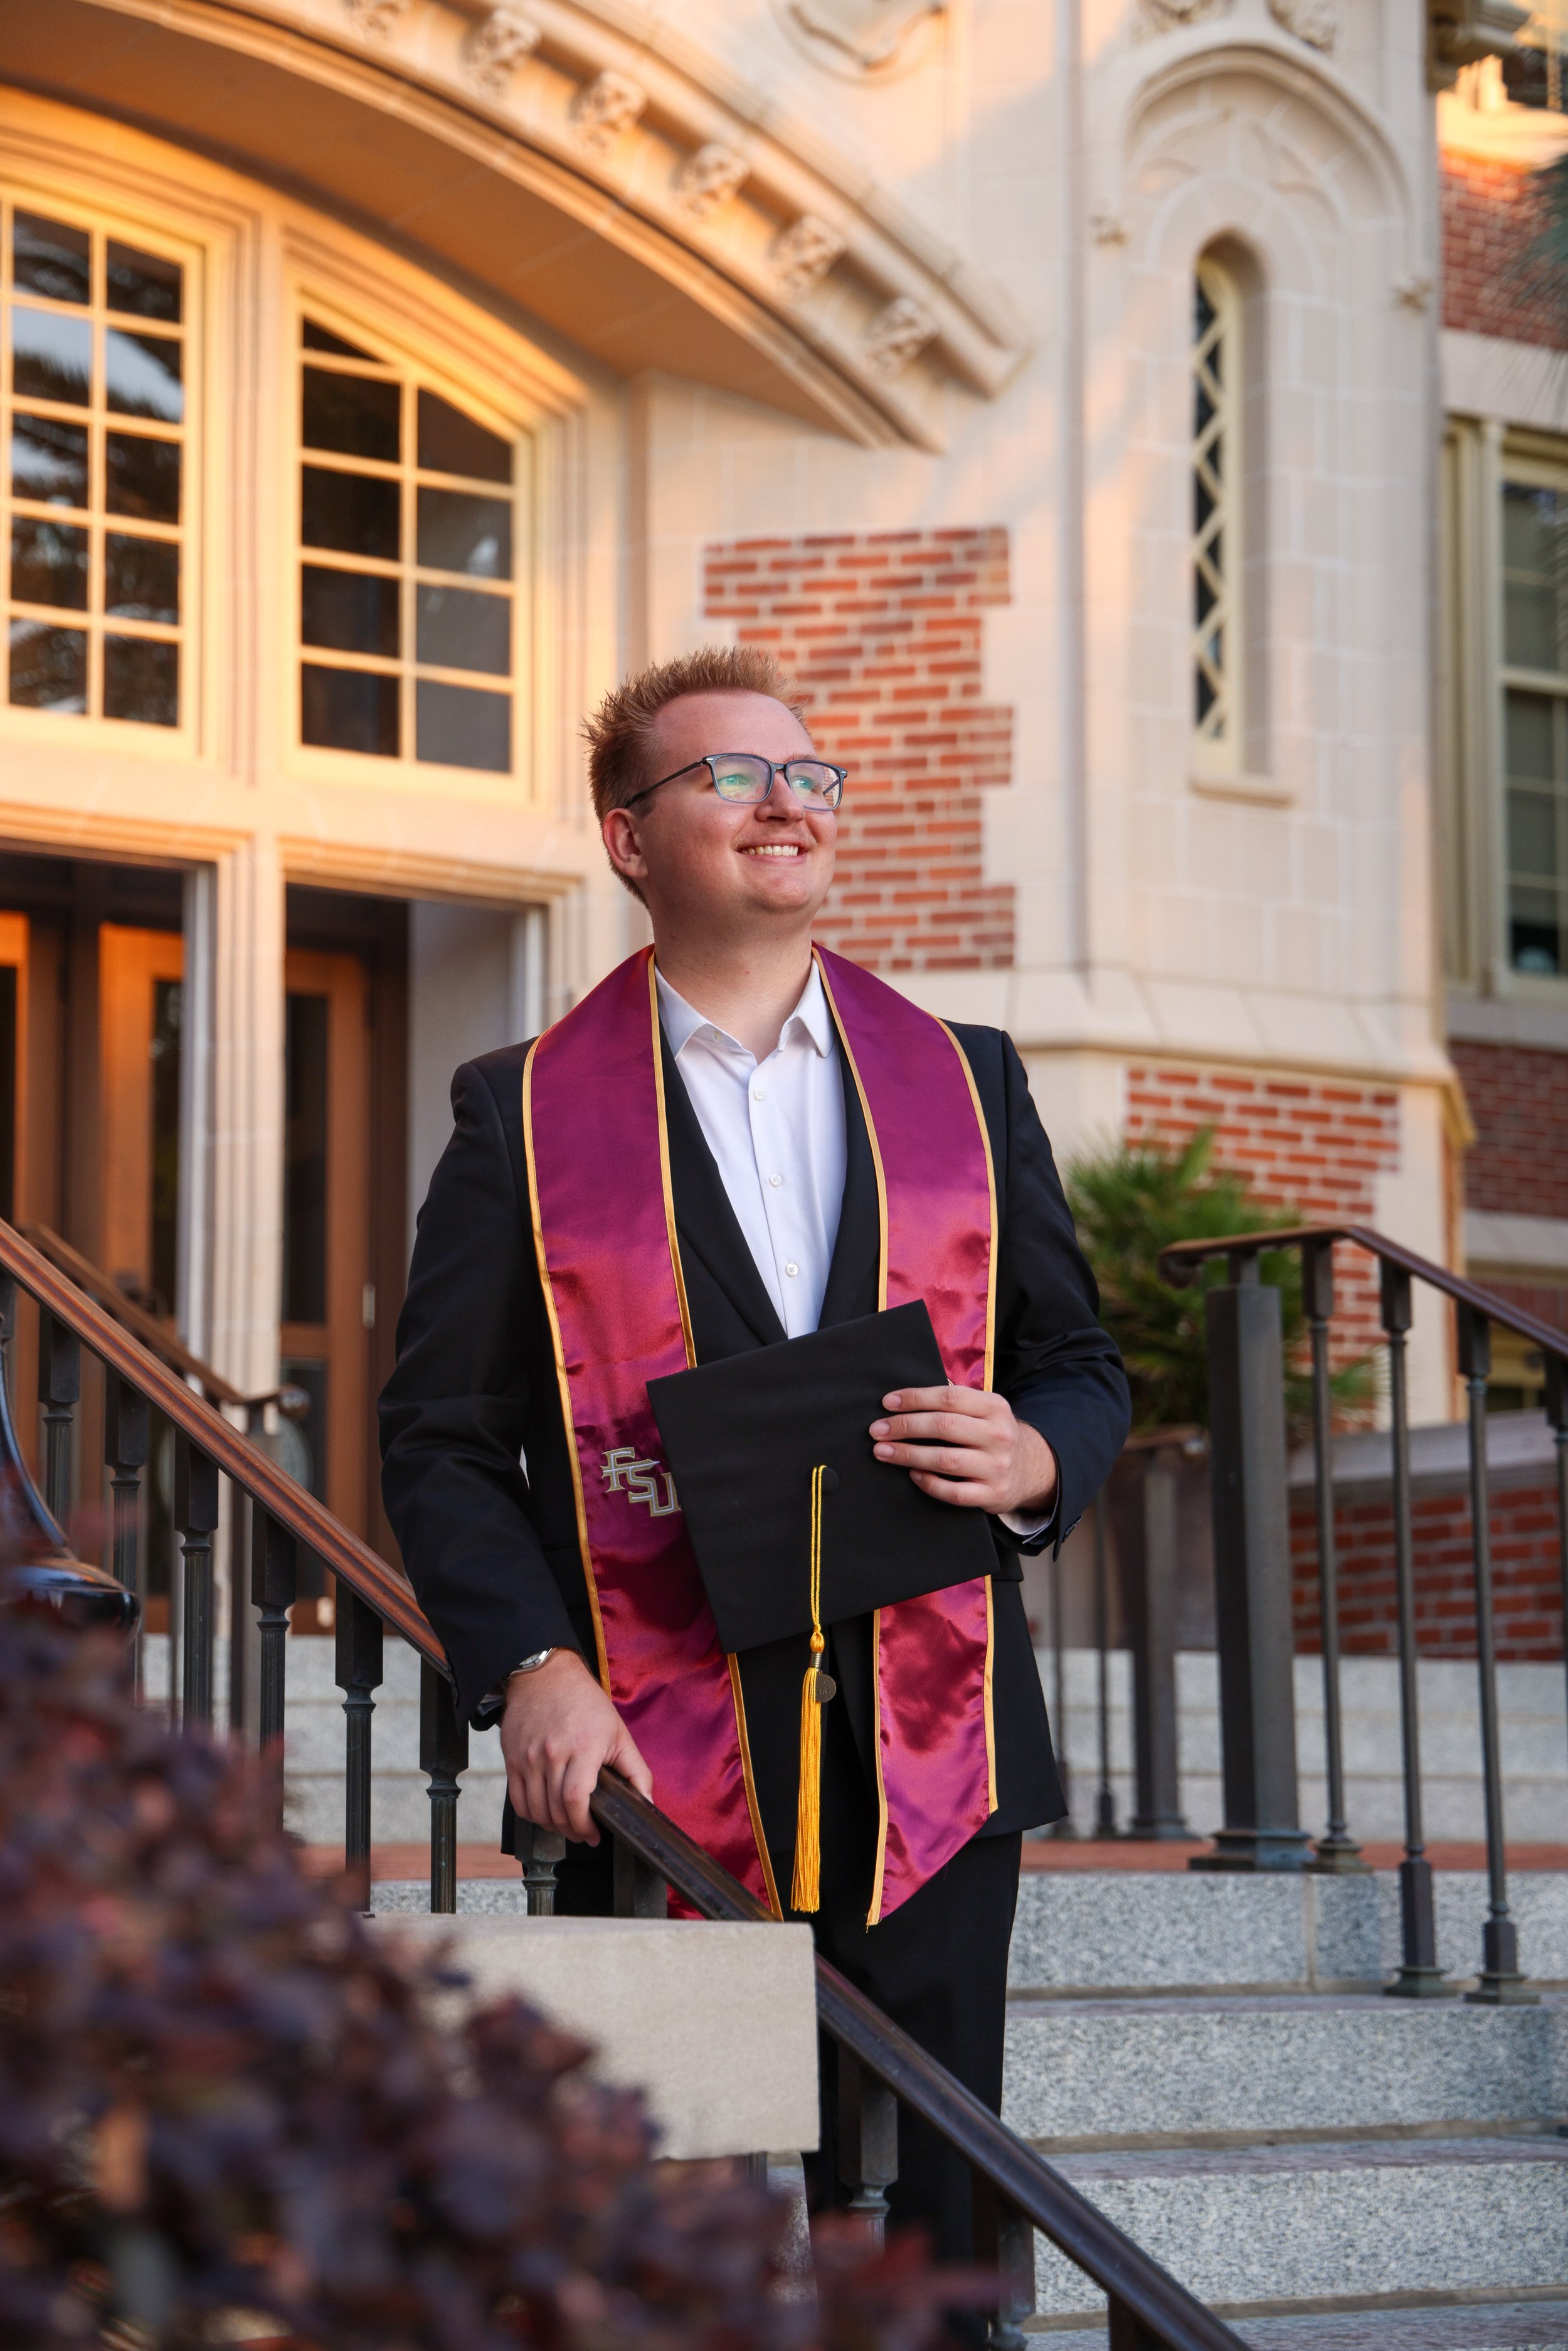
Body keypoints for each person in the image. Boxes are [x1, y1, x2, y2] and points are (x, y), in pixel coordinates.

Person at [379, 645, 1130, 2264]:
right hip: (650, 1749)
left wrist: (1033, 1456)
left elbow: (1075, 1365)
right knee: (678, 2221)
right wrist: (529, 1662)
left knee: (937, 2232)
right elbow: (442, 1434)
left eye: (809, 775)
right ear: (628, 837)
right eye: (727, 774)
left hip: (932, 1737)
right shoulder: (521, 1109)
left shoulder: (963, 1076)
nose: (784, 801)